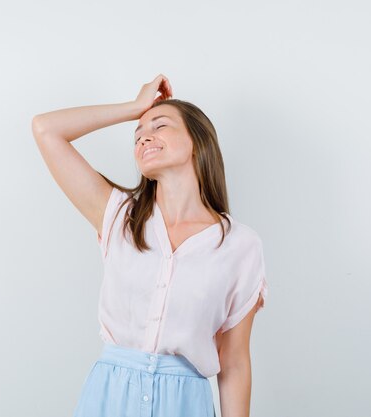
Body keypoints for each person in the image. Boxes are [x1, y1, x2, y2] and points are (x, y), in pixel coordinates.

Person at [31, 74, 269, 417]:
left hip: (186, 403)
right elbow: (45, 129)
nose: (144, 137)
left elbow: (233, 364)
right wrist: (134, 108)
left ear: (198, 141)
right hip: (109, 397)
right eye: (137, 135)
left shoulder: (239, 245)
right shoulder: (117, 216)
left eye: (160, 126)